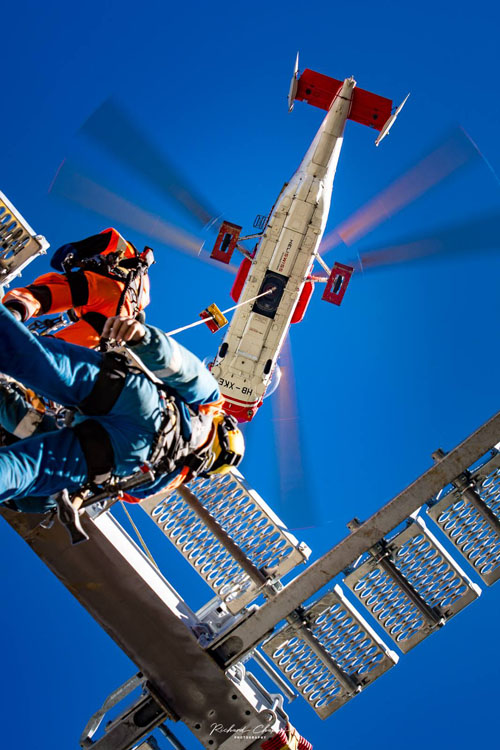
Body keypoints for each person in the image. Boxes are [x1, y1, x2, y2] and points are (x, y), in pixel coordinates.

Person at [0, 304, 244, 515]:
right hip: (122, 459)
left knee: (33, 359)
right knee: (22, 469)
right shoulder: (173, 476)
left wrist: (143, 339)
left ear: (225, 428)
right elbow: (127, 494)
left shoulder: (209, 411)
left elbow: (187, 372)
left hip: (139, 401)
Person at [2, 227, 153, 348]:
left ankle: (11, 314)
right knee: (66, 348)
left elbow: (109, 239)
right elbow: (139, 317)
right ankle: (36, 360)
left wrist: (75, 250)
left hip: (100, 286)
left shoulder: (129, 251)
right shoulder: (144, 286)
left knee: (43, 295)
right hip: (116, 318)